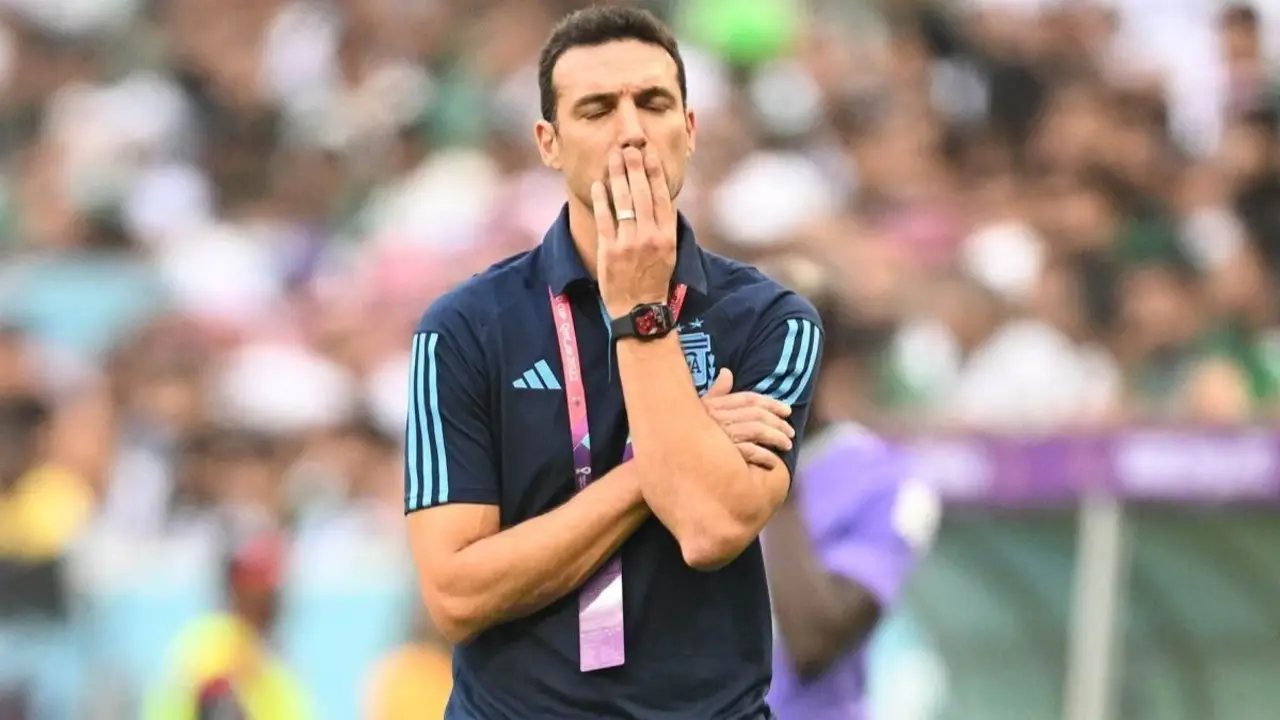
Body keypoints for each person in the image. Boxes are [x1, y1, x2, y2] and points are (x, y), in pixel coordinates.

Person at [403, 7, 823, 719]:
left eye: (653, 103)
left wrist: (640, 311)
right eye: (597, 110)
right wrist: (660, 464)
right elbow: (456, 595)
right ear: (549, 143)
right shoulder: (464, 329)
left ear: (689, 128)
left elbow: (710, 527)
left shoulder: (773, 322)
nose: (631, 131)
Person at [757, 256, 942, 720]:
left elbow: (813, 644)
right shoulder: (670, 463)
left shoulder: (887, 481)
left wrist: (775, 473)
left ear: (830, 358)